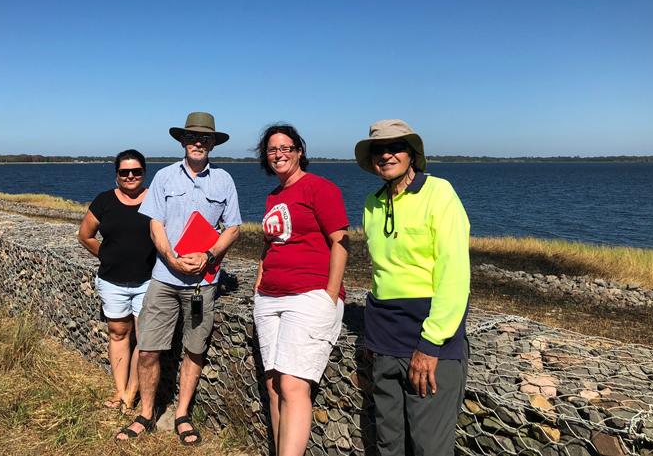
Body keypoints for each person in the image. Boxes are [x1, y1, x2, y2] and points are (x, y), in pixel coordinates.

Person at [116, 112, 241, 444]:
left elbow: (234, 227)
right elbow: (155, 224)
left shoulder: (225, 181)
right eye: (191, 137)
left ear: (213, 143)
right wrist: (170, 257)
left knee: (195, 349)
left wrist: (210, 255)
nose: (198, 143)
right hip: (163, 279)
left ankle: (182, 413)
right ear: (182, 141)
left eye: (204, 138)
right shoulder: (164, 177)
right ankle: (145, 414)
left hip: (204, 284)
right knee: (147, 350)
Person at [354, 120, 470, 456]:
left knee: (429, 446)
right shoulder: (371, 204)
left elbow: (454, 274)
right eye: (378, 149)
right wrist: (372, 335)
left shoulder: (440, 193)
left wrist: (431, 343)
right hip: (383, 340)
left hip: (429, 337)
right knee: (389, 444)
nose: (387, 155)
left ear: (411, 154)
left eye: (395, 147)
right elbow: (382, 274)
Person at [252, 123, 349, 456]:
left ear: (299, 151)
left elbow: (340, 241)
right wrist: (259, 280)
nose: (279, 155)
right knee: (275, 386)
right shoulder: (274, 196)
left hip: (309, 295)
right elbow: (273, 243)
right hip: (270, 297)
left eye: (285, 148)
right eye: (272, 150)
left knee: (293, 385)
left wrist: (330, 293)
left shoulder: (319, 188)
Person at [78, 149, 157, 415]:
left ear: (145, 173)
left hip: (148, 281)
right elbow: (85, 235)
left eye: (136, 171)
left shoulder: (156, 199)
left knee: (144, 340)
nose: (131, 176)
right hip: (112, 282)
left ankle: (132, 393)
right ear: (117, 176)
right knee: (118, 334)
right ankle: (120, 390)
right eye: (125, 172)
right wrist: (108, 255)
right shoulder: (104, 201)